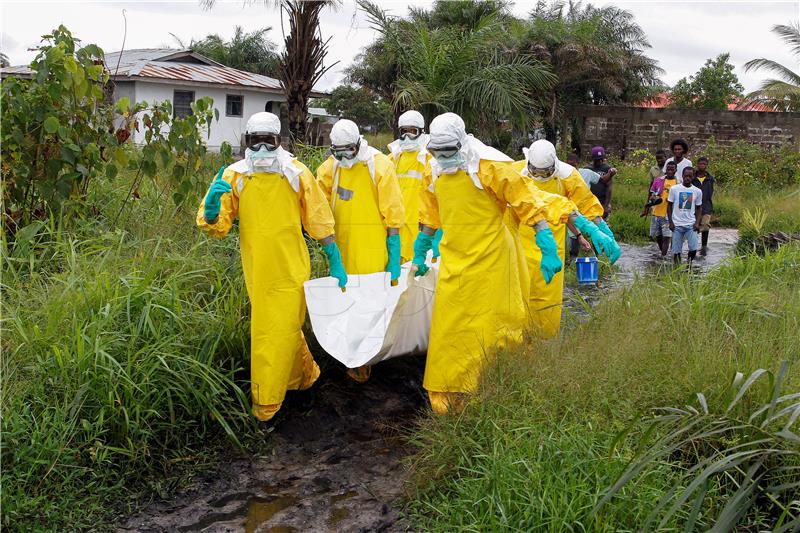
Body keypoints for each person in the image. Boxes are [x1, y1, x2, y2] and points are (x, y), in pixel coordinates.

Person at [196, 112, 348, 423]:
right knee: (285, 329)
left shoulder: (296, 173)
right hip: (257, 269)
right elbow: (218, 225)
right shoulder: (234, 176)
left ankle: (267, 403)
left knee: (271, 331)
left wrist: (334, 258)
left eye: (269, 141)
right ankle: (306, 380)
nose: (263, 148)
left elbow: (318, 217)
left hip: (292, 267)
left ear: (280, 141)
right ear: (247, 141)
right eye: (256, 141)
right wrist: (212, 211)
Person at [409, 113, 564, 415]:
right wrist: (421, 248)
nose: (443, 157)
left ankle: (496, 386)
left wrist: (546, 244)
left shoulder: (490, 166)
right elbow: (430, 215)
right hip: (455, 259)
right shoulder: (433, 170)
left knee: (495, 327)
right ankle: (448, 393)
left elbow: (527, 202)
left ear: (462, 143)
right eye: (436, 152)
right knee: (450, 328)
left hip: (494, 259)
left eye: (448, 151)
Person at [316, 119, 405, 383]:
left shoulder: (379, 166)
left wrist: (393, 253)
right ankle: (346, 353)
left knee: (370, 305)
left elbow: (394, 214)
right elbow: (317, 203)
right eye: (337, 151)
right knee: (344, 304)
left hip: (372, 250)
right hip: (341, 248)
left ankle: (365, 359)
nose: (344, 157)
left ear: (358, 144)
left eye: (348, 151)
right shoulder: (331, 168)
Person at [512, 140, 621, 338]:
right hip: (520, 242)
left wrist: (603, 229)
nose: (539, 177)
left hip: (553, 244)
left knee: (547, 298)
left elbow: (585, 202)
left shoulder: (568, 175)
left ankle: (542, 341)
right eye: (535, 172)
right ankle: (518, 342)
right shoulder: (515, 172)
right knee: (517, 294)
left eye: (544, 173)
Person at [386, 110, 436, 262]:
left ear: (422, 132)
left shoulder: (431, 159)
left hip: (422, 230)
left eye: (412, 132)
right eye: (404, 131)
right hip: (397, 230)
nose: (407, 136)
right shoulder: (391, 160)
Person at [566, 152, 600, 261]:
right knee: (573, 242)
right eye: (569, 165)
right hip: (570, 213)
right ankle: (572, 261)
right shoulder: (563, 177)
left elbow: (603, 181)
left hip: (585, 213)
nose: (572, 168)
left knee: (593, 236)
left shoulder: (586, 174)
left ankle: (596, 260)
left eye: (574, 165)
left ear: (578, 164)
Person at [668, 166, 703, 265]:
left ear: (693, 177)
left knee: (693, 249)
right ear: (682, 176)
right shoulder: (674, 189)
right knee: (676, 251)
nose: (687, 178)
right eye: (686, 176)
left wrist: (697, 223)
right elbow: (669, 205)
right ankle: (677, 269)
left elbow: (699, 208)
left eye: (690, 176)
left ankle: (689, 265)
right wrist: (670, 222)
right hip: (677, 224)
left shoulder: (697, 191)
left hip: (691, 224)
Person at [646, 160, 678, 257]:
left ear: (676, 170)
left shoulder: (678, 183)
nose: (670, 171)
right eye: (668, 169)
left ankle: (663, 257)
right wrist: (653, 198)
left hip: (669, 215)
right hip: (656, 212)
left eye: (672, 169)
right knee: (658, 236)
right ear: (666, 169)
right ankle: (663, 254)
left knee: (666, 237)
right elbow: (652, 193)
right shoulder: (659, 180)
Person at [585, 146, 616, 219]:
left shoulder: (607, 169)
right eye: (597, 160)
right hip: (590, 203)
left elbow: (609, 187)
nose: (600, 161)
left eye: (601, 159)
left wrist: (606, 204)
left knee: (603, 223)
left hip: (602, 201)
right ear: (593, 159)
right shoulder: (587, 169)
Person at [692, 156, 715, 256]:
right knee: (694, 226)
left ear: (706, 165)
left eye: (704, 164)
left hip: (706, 205)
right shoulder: (693, 178)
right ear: (697, 165)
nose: (702, 166)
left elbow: (710, 192)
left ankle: (704, 246)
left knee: (705, 226)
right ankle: (693, 246)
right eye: (700, 164)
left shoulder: (710, 179)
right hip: (694, 206)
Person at [640, 149, 668, 217]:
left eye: (661, 158)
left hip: (666, 196)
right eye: (657, 158)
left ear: (665, 157)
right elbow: (651, 186)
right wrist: (648, 202)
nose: (659, 160)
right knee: (655, 215)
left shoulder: (669, 168)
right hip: (655, 196)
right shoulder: (653, 169)